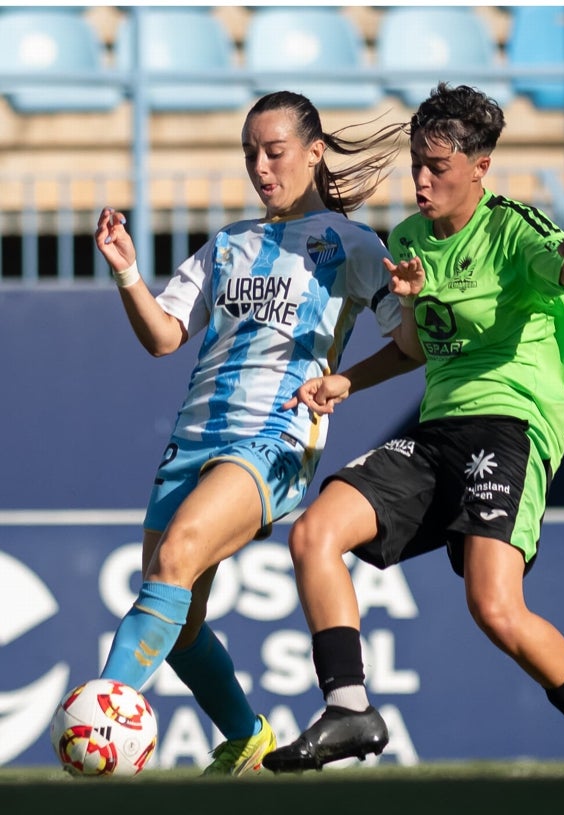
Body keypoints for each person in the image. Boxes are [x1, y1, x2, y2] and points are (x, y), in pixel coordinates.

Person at [262, 83, 564, 773]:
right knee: (314, 531)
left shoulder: (511, 229)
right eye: (417, 161)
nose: (421, 178)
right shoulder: (411, 237)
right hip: (435, 427)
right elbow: (417, 348)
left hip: (508, 424)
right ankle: (349, 706)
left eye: (437, 166)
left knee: (493, 606)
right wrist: (347, 378)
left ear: (478, 167)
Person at [92, 90, 421, 776]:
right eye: (251, 155)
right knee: (176, 619)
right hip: (193, 439)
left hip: (273, 439)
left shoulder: (353, 245)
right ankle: (245, 737)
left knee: (176, 555)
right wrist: (126, 268)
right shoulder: (229, 243)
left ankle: (102, 717)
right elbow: (163, 337)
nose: (261, 168)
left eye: (274, 152)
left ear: (313, 151)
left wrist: (375, 346)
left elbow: (412, 345)